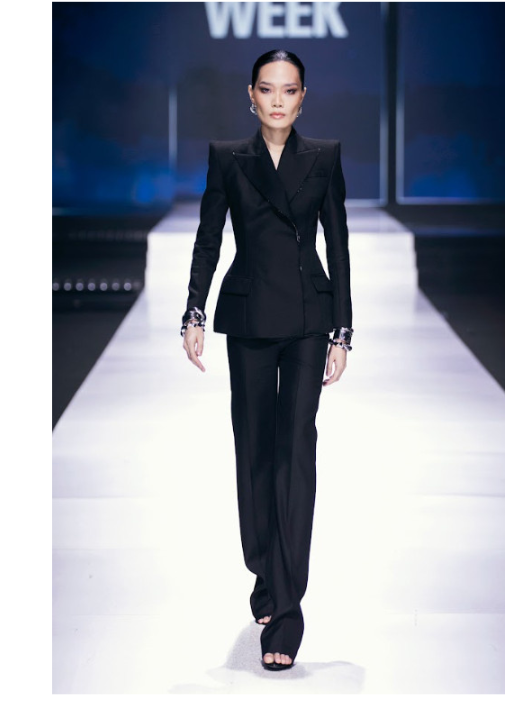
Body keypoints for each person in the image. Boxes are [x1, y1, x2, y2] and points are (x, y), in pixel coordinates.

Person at [181, 49, 353, 671]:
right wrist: (194, 310)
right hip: (251, 316)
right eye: (267, 89)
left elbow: (338, 243)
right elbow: (209, 237)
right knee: (253, 448)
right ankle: (264, 571)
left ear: (303, 98)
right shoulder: (228, 157)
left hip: (307, 318)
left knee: (295, 451)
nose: (278, 100)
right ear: (250, 95)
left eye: (289, 90)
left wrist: (342, 329)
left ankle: (287, 609)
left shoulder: (324, 157)